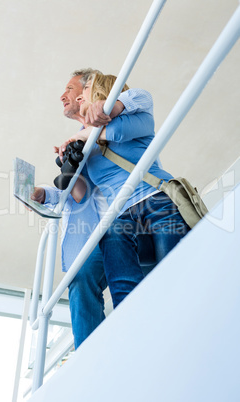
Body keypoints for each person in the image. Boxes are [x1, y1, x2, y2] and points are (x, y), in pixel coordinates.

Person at [32, 68, 156, 347]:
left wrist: (100, 118)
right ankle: (89, 353)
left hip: (133, 215)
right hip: (100, 231)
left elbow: (141, 98)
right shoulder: (78, 141)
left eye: (71, 89)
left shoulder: (119, 117)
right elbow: (80, 193)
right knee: (80, 280)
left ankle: (140, 334)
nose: (62, 96)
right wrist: (43, 194)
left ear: (86, 94)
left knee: (139, 280)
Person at [57, 72, 190, 309]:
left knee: (175, 273)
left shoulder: (139, 118)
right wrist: (68, 165)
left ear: (101, 93)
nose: (79, 99)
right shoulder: (86, 144)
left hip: (158, 201)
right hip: (123, 214)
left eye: (84, 91)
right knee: (122, 286)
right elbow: (81, 193)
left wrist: (80, 135)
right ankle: (129, 325)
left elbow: (117, 132)